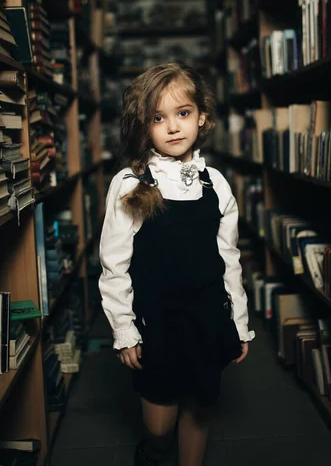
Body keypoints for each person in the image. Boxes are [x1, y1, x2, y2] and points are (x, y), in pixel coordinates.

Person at [99, 62, 255, 466]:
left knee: (200, 407)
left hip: (206, 318)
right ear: (143, 125)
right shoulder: (131, 183)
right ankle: (152, 452)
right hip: (157, 321)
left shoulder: (215, 183)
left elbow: (229, 257)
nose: (172, 127)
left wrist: (238, 321)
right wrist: (124, 329)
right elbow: (114, 265)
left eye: (182, 114)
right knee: (159, 425)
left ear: (201, 116)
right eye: (158, 118)